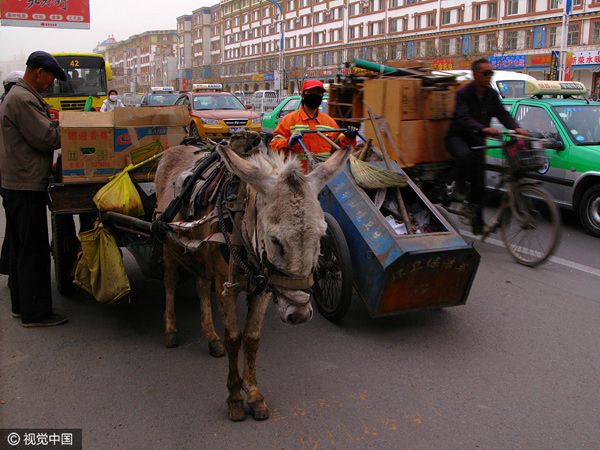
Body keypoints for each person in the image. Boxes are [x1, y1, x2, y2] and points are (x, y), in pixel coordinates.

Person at [0, 51, 68, 327]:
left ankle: (21, 307)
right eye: (50, 77)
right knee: (34, 251)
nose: (51, 83)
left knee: (21, 249)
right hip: (25, 186)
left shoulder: (18, 96)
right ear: (38, 72)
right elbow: (46, 138)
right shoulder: (24, 98)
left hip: (18, 182)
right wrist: (75, 127)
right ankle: (36, 313)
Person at [445, 58, 528, 234]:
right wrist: (483, 128)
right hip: (458, 136)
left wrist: (517, 128)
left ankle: (478, 222)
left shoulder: (491, 95)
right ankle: (456, 185)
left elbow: (503, 115)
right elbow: (463, 118)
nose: (488, 76)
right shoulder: (463, 94)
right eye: (485, 73)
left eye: (491, 73)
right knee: (464, 156)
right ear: (475, 75)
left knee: (480, 184)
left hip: (478, 141)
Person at [270, 79, 357, 173]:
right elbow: (274, 145)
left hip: (323, 178)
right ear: (303, 95)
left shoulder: (329, 122)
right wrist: (288, 142)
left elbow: (339, 146)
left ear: (322, 96)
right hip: (297, 177)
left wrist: (349, 138)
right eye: (310, 92)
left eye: (318, 93)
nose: (314, 96)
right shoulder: (288, 120)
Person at [0, 70, 25, 278]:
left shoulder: (7, 104)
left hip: (8, 175)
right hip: (12, 176)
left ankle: (10, 269)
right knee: (17, 232)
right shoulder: (14, 105)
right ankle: (13, 270)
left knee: (13, 229)